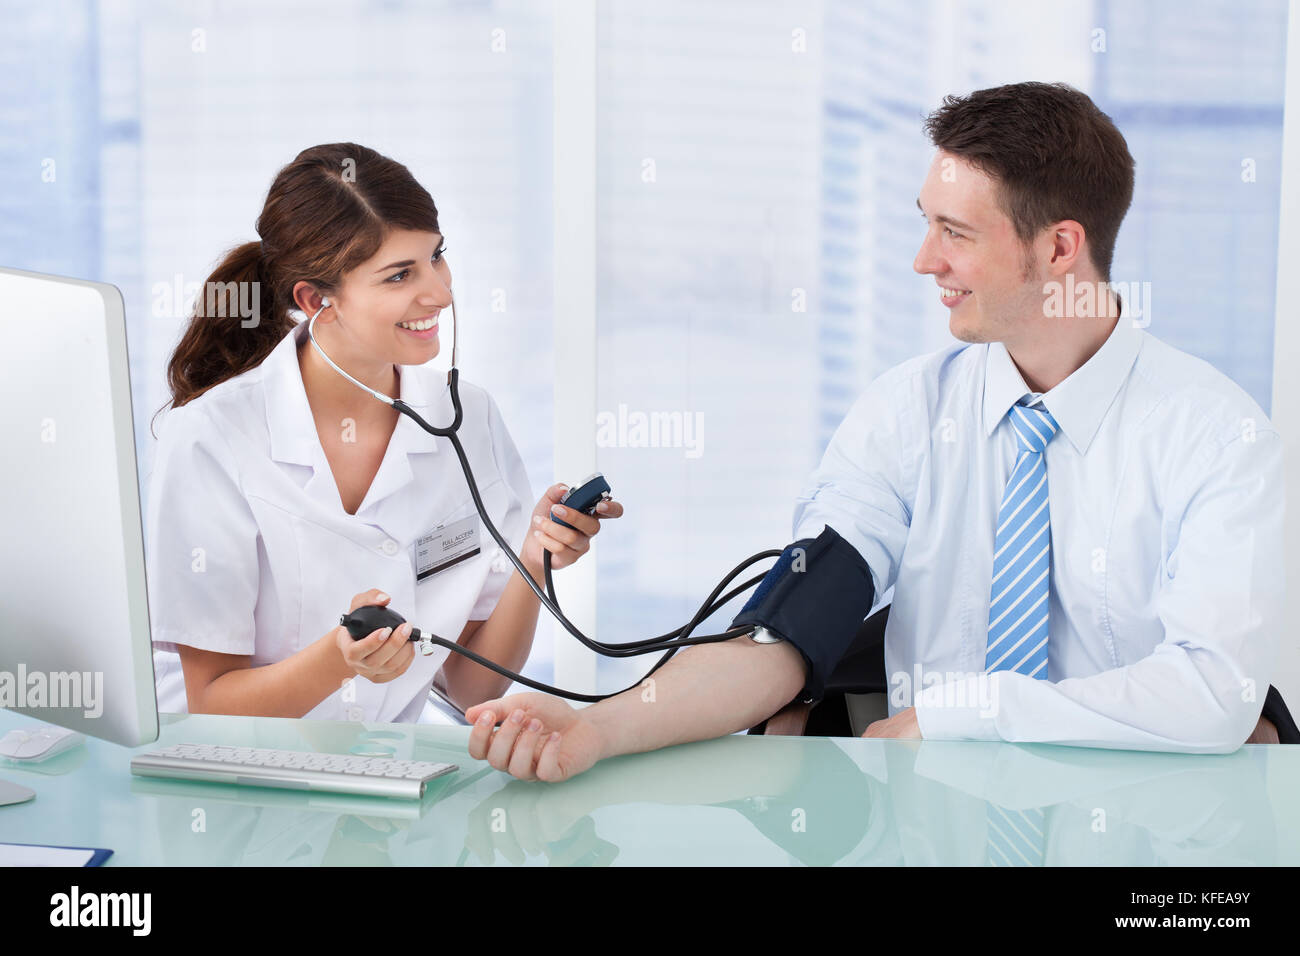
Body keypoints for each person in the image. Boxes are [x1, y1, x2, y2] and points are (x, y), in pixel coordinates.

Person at [464, 82, 1285, 781]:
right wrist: (602, 727)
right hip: (933, 834)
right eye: (927, 223)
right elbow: (783, 639)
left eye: (956, 233)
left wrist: (968, 715)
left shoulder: (1215, 438)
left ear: (1061, 247)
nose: (924, 260)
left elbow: (1213, 695)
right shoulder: (906, 415)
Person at [147, 142, 622, 724]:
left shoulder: (469, 420)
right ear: (316, 299)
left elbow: (472, 689)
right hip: (227, 784)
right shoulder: (212, 437)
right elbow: (213, 703)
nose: (441, 293)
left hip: (379, 781)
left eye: (436, 257)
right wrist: (341, 658)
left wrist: (533, 558)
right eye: (400, 275)